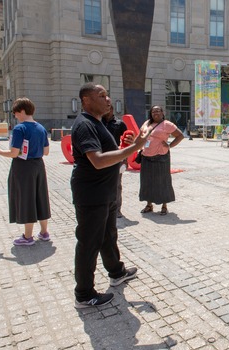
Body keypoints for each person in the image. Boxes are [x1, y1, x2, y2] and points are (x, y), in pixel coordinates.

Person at [71, 83, 151, 308]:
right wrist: (133, 148)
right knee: (89, 243)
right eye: (102, 95)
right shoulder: (85, 124)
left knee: (108, 235)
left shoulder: (98, 123)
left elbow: (106, 152)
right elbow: (97, 160)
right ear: (86, 100)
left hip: (104, 192)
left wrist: (122, 146)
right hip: (91, 193)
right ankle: (84, 294)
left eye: (108, 95)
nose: (108, 100)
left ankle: (116, 272)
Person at [0, 98, 51, 245]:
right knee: (40, 196)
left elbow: (14, 153)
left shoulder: (19, 129)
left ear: (22, 111)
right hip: (39, 165)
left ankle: (28, 237)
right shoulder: (41, 128)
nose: (15, 115)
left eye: (16, 112)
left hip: (23, 167)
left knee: (26, 198)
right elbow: (46, 151)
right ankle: (44, 232)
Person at [139, 105, 184, 215]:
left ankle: (164, 206)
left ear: (162, 113)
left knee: (163, 182)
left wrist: (170, 145)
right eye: (153, 111)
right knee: (147, 182)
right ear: (151, 113)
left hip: (161, 157)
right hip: (146, 157)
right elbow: (140, 136)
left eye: (158, 111)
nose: (156, 113)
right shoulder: (146, 123)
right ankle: (149, 205)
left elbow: (180, 136)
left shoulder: (167, 124)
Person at [102, 105, 128, 218]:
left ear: (112, 110)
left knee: (116, 185)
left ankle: (117, 210)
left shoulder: (120, 124)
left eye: (109, 109)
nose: (107, 110)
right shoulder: (98, 122)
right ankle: (104, 208)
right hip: (101, 157)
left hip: (117, 158)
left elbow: (127, 143)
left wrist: (125, 160)